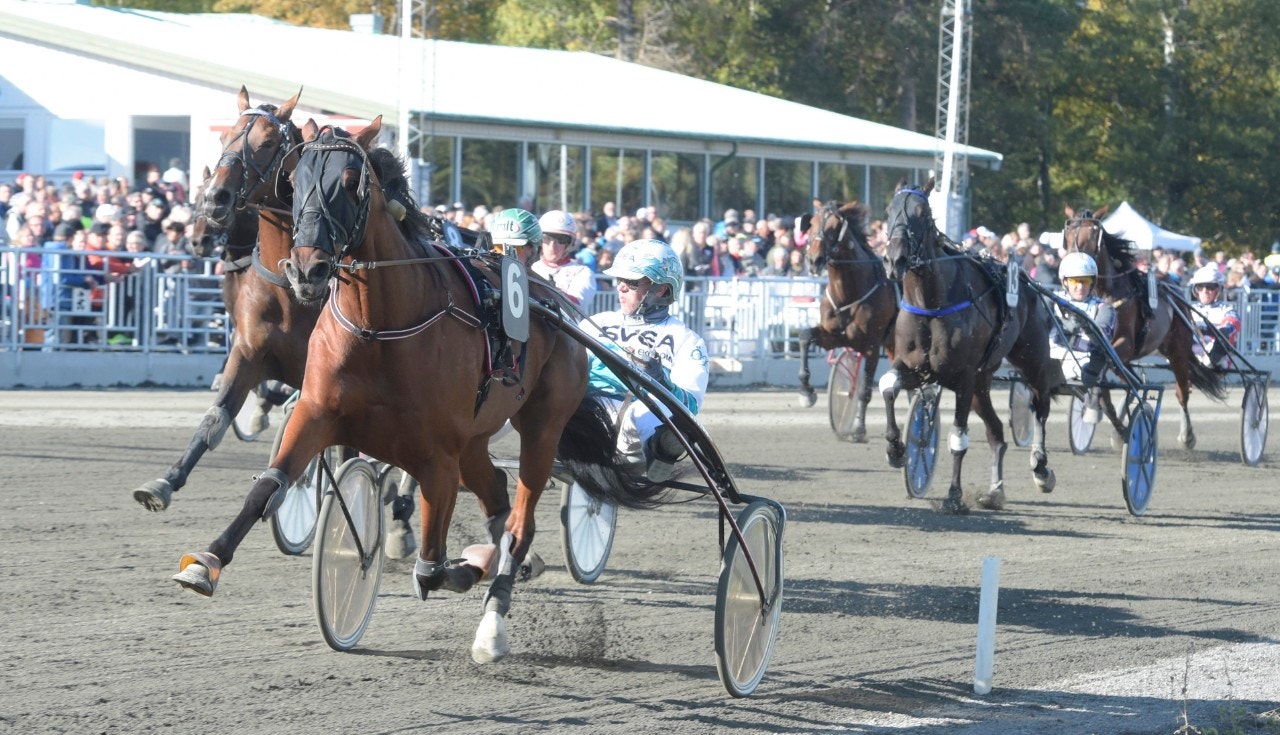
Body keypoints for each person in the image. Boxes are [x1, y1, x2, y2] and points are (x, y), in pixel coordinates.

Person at [579, 239, 710, 481]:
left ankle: (661, 449)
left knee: (643, 409)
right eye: (620, 280)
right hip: (584, 413)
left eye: (631, 282)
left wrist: (662, 383)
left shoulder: (687, 340)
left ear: (660, 289)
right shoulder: (595, 324)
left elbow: (690, 404)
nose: (620, 287)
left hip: (633, 428)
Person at [1049, 252, 1116, 423]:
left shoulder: (1103, 308)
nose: (1080, 286)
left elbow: (1102, 336)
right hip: (1050, 358)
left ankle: (1094, 391)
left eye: (1085, 281)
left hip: (1084, 363)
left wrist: (1084, 325)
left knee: (1100, 352)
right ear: (1065, 282)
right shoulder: (1051, 301)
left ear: (1092, 282)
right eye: (1074, 281)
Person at [532, 209, 597, 308]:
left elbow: (575, 309)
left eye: (560, 240)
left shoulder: (582, 272)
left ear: (569, 244)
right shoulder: (531, 268)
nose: (552, 246)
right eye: (546, 238)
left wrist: (553, 291)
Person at [1188, 265, 1240, 369]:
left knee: (1211, 355)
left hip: (1217, 354)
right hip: (1191, 350)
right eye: (1200, 287)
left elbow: (1233, 323)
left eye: (1210, 287)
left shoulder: (1227, 310)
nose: (1204, 291)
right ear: (1195, 290)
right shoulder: (1190, 310)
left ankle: (1210, 359)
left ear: (1218, 290)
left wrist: (1222, 330)